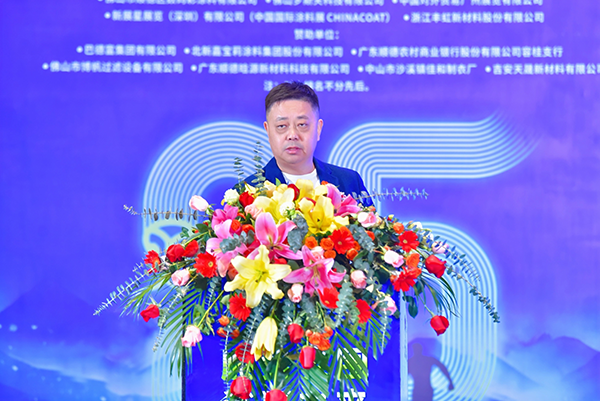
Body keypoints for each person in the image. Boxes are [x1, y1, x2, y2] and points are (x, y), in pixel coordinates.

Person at [246, 81, 373, 206]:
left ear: (318, 128)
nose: (292, 135)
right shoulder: (248, 192)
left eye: (302, 125)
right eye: (282, 126)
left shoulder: (349, 181)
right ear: (268, 131)